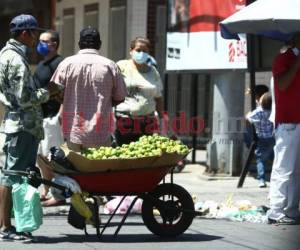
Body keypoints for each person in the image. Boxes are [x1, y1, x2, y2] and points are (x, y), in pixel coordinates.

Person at [0, 14, 49, 241]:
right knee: (13, 177)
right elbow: (24, 97)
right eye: (34, 32)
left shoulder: (6, 54)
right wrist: (49, 92)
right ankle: (8, 228)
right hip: (22, 126)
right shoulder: (16, 59)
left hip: (17, 124)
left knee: (12, 175)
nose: (36, 37)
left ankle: (8, 225)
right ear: (24, 33)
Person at [50, 26, 127, 152]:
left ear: (79, 44)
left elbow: (53, 91)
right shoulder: (110, 65)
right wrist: (107, 102)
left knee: (75, 168)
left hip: (74, 132)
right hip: (101, 133)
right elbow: (120, 97)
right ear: (100, 44)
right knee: (98, 169)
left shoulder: (66, 63)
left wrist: (66, 100)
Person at [267, 33, 300, 225]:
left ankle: (292, 208)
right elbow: (283, 83)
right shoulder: (283, 59)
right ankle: (276, 209)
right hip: (288, 123)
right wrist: (297, 63)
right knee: (284, 168)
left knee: (296, 170)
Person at [115, 37, 168, 145]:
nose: (141, 53)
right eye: (138, 50)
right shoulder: (121, 66)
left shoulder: (153, 72)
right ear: (131, 51)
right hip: (125, 121)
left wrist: (162, 121)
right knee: (125, 156)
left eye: (145, 51)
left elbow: (158, 97)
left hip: (147, 122)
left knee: (144, 156)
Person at [33, 30, 64, 206]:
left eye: (44, 41)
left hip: (52, 117)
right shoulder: (43, 63)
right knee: (41, 156)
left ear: (54, 44)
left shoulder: (59, 63)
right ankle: (46, 189)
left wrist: (60, 114)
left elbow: (64, 89)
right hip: (40, 117)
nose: (40, 44)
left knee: (53, 156)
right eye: (40, 41)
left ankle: (58, 194)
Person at [246, 92, 275, 188]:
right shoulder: (273, 111)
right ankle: (275, 177)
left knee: (260, 160)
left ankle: (262, 180)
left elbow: (248, 118)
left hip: (261, 138)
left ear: (262, 102)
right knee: (272, 157)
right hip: (272, 138)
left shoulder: (259, 111)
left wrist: (248, 115)